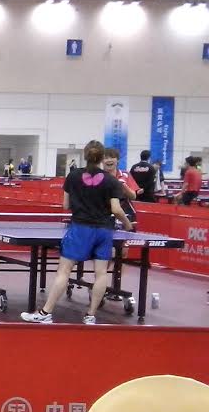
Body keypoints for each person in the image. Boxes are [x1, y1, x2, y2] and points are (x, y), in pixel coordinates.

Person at [21, 140, 134, 326]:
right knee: (101, 273)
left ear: (85, 155)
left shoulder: (73, 176)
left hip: (81, 228)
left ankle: (46, 313)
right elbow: (116, 209)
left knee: (64, 270)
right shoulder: (112, 181)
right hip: (104, 230)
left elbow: (66, 205)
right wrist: (127, 224)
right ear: (101, 158)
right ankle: (90, 316)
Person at [101, 148, 138, 225]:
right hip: (104, 215)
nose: (109, 160)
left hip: (126, 213)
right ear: (101, 161)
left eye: (112, 157)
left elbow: (133, 196)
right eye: (106, 158)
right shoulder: (98, 176)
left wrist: (123, 185)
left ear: (117, 160)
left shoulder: (125, 175)